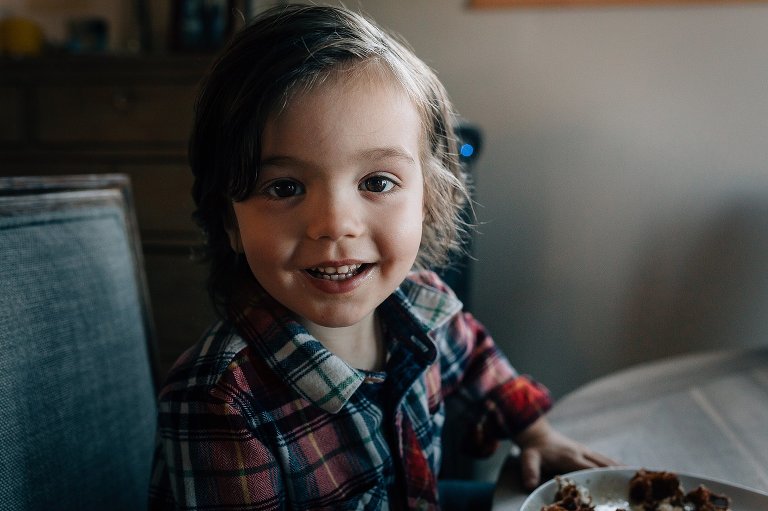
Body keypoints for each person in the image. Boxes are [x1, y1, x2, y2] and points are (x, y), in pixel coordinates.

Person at [148, 4, 614, 510]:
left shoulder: (426, 307)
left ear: (430, 198)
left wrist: (536, 434)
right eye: (284, 187)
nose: (334, 224)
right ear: (229, 222)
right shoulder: (220, 400)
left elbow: (482, 365)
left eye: (377, 182)